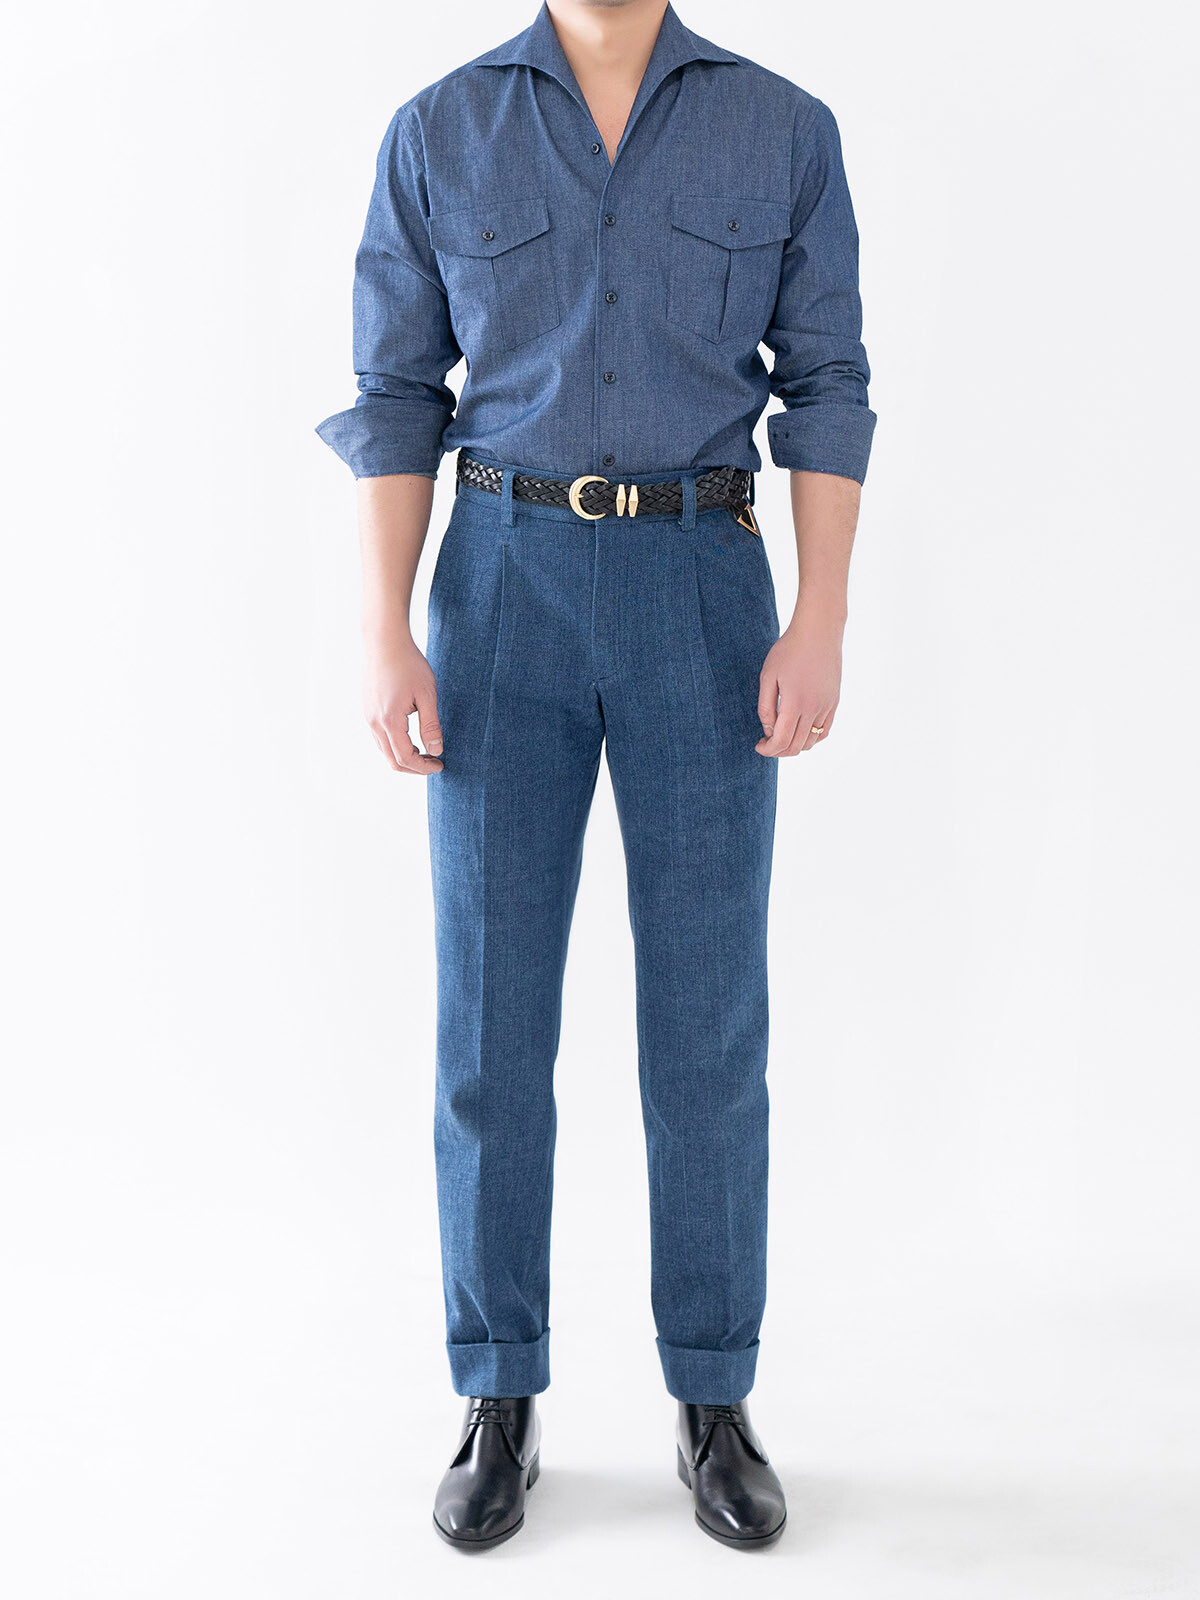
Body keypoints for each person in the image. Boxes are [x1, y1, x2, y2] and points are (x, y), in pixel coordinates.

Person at [315, 0, 874, 1552]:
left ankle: (714, 1397)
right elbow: (396, 392)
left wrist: (822, 615)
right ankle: (497, 1393)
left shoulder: (783, 127)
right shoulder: (441, 130)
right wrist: (384, 630)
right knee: (489, 1019)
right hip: (502, 584)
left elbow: (828, 379)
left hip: (704, 580)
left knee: (709, 1022)